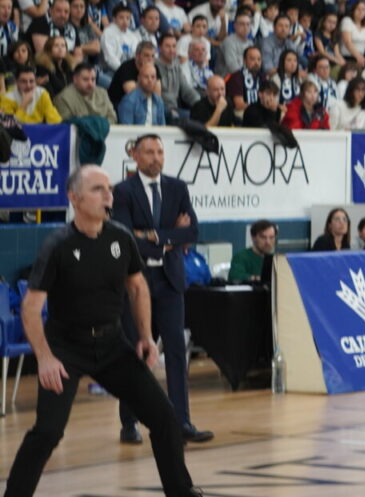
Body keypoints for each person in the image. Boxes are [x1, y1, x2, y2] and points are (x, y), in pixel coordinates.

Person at [4, 164, 200, 497]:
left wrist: (145, 338)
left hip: (111, 345)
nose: (107, 194)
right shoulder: (58, 245)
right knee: (48, 432)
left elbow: (137, 287)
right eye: (97, 189)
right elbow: (31, 308)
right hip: (65, 349)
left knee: (165, 419)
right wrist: (45, 358)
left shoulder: (121, 237)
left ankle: (182, 492)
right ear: (74, 198)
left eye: (108, 188)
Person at [111, 135, 214, 446]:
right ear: (135, 156)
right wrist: (169, 236)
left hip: (169, 280)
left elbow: (192, 230)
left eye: (160, 152)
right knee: (134, 352)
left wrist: (154, 235)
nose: (156, 158)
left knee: (176, 354)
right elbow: (125, 235)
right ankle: (129, 423)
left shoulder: (177, 188)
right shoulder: (123, 191)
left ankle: (181, 421)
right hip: (135, 281)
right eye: (149, 152)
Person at [228, 219, 277, 283]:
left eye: (271, 237)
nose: (268, 242)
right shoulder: (241, 257)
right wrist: (259, 279)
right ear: (253, 238)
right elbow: (235, 276)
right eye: (263, 237)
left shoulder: (276, 259)